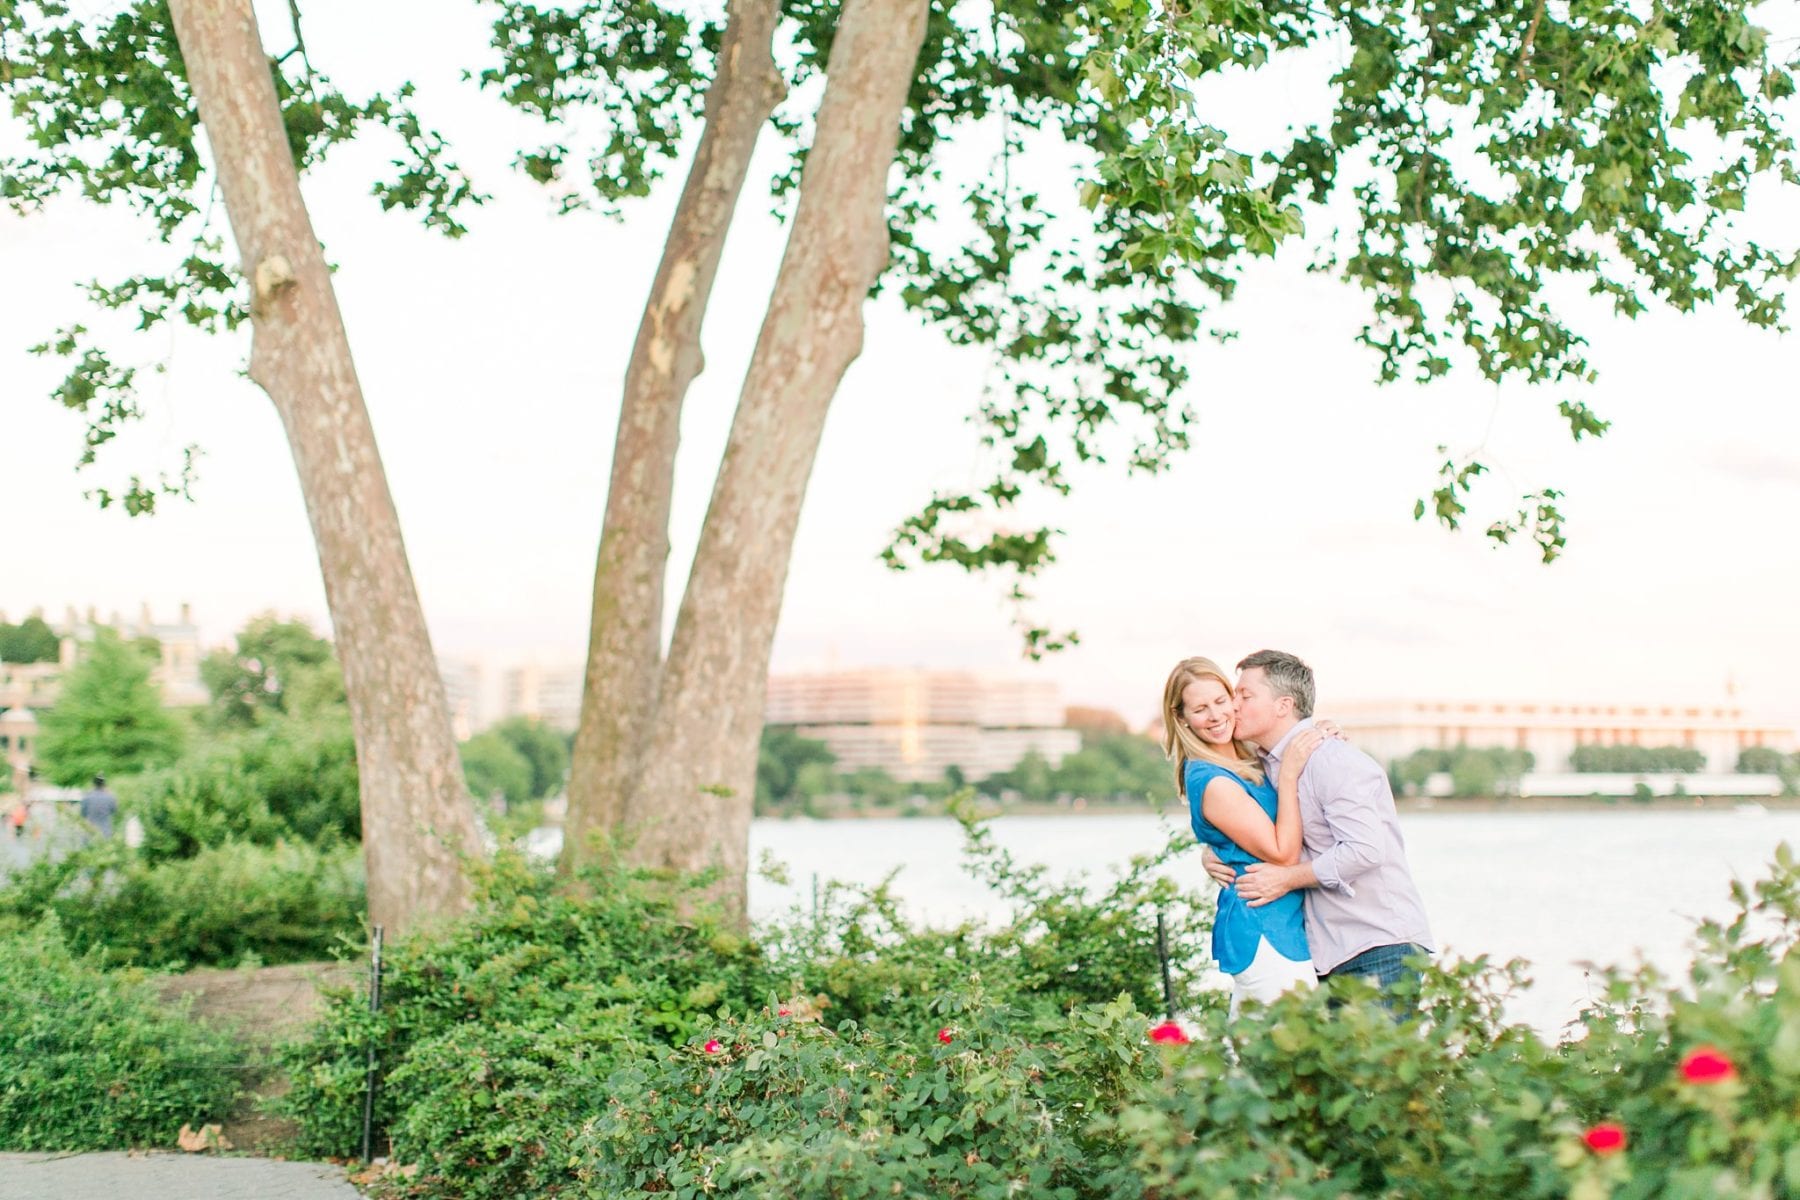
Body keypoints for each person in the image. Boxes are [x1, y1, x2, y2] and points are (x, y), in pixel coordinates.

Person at [1204, 650, 1434, 1010]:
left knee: (1377, 1067)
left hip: (1377, 947)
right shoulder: (1264, 766)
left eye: (1244, 696)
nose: (1232, 706)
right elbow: (1251, 827)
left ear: (1283, 705)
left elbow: (1365, 850)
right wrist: (1211, 851)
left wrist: (1286, 879)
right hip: (1324, 955)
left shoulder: (1333, 760)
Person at [1161, 656, 1327, 1015]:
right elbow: (1282, 854)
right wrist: (1289, 776)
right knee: (1296, 1053)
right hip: (1264, 932)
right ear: (1182, 718)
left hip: (1278, 929)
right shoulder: (1214, 779)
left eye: (1221, 701)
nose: (1216, 715)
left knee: (1252, 1062)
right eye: (1200, 709)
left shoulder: (1245, 757)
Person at [80, 773, 118, 838]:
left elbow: (83, 814)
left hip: (90, 831)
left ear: (93, 784)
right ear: (104, 784)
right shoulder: (110, 797)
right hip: (105, 832)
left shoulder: (87, 797)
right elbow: (114, 811)